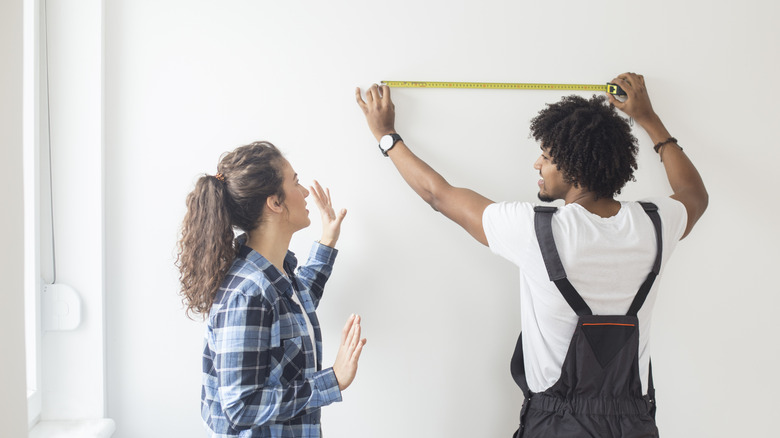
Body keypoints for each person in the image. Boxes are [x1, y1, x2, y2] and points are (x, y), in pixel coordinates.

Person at [356, 73, 707, 437]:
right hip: (635, 425)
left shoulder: (537, 230)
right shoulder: (655, 223)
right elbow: (694, 193)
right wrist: (649, 118)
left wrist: (387, 136)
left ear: (574, 168)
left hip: (557, 424)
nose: (537, 165)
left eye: (547, 156)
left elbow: (438, 195)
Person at [176, 141, 367, 438]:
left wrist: (327, 240)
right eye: (296, 182)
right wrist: (333, 380)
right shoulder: (248, 293)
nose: (304, 193)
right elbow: (240, 407)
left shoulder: (273, 273)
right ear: (275, 203)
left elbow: (296, 309)